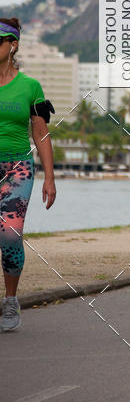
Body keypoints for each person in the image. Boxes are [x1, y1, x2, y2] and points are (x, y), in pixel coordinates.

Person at [0, 17, 56, 330]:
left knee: (9, 234)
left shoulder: (30, 87)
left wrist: (49, 177)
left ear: (12, 45)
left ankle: (10, 301)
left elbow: (41, 133)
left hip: (17, 168)